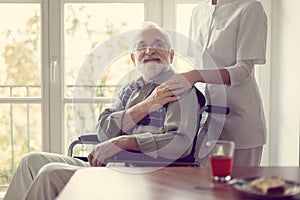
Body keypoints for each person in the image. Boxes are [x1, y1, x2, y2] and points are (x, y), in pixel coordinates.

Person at [4, 22, 200, 200]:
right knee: (30, 162)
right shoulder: (131, 89)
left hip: (138, 174)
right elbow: (104, 130)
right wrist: (147, 105)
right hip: (110, 165)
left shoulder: (180, 88)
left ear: (171, 55)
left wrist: (123, 141)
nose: (149, 50)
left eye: (158, 44)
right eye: (141, 46)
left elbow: (180, 143)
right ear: (134, 58)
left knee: (49, 173)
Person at [165, 0, 267, 167]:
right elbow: (198, 65)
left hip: (240, 123)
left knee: (238, 190)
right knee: (205, 189)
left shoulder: (250, 7)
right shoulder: (198, 11)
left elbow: (243, 70)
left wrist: (194, 75)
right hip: (207, 121)